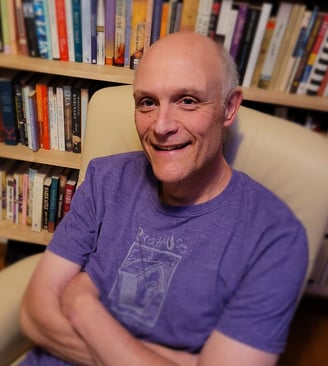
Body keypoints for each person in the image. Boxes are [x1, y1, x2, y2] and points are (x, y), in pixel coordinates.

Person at [19, 31, 308, 366]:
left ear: (229, 107)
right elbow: (33, 315)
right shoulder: (105, 179)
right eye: (148, 102)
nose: (161, 125)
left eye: (187, 100)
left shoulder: (275, 236)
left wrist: (85, 310)